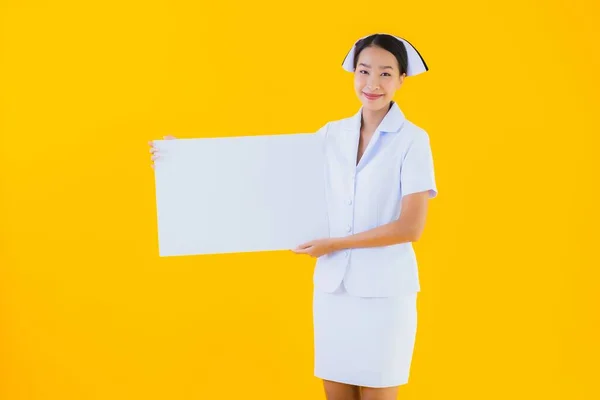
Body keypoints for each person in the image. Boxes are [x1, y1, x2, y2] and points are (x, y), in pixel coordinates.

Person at [149, 33, 437, 400]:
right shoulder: (331, 135)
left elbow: (411, 227)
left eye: (385, 74)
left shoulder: (412, 140)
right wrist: (187, 161)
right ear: (354, 75)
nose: (372, 84)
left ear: (401, 80)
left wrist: (336, 243)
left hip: (385, 295)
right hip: (334, 292)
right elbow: (266, 172)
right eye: (364, 71)